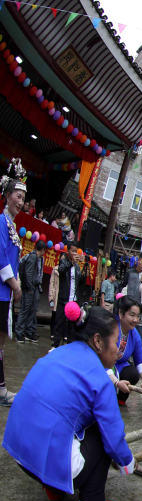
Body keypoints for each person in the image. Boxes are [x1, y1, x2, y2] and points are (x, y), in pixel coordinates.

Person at [2, 306, 136, 501]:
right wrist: (128, 462)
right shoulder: (100, 380)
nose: (119, 349)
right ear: (98, 341)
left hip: (20, 452)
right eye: (116, 340)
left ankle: (54, 487)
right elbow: (113, 437)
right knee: (102, 436)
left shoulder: (58, 352)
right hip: (44, 456)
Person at [0, 160, 25, 406]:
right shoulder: (0, 221)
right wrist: (14, 283)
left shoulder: (11, 225)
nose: (20, 202)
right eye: (17, 196)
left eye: (22, 198)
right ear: (7, 196)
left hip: (5, 291)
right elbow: (0, 255)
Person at [110, 296, 142, 406]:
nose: (135, 320)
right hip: (104, 368)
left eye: (138, 316)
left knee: (133, 373)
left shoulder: (134, 333)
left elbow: (140, 359)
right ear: (121, 313)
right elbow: (100, 362)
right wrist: (116, 382)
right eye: (132, 315)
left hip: (119, 366)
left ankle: (120, 400)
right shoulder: (110, 329)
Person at [51, 243, 85, 348]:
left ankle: (70, 346)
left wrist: (83, 268)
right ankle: (55, 345)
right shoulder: (64, 261)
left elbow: (80, 282)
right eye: (73, 251)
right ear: (68, 252)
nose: (75, 253)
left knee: (72, 325)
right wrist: (71, 263)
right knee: (59, 322)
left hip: (73, 300)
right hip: (63, 298)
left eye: (76, 251)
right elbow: (61, 270)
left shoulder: (77, 266)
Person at [16, 240, 46, 343]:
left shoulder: (38, 258)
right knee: (25, 310)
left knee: (31, 310)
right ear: (42, 250)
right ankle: (19, 333)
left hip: (34, 287)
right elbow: (28, 274)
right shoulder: (33, 257)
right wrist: (29, 288)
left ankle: (28, 332)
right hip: (29, 289)